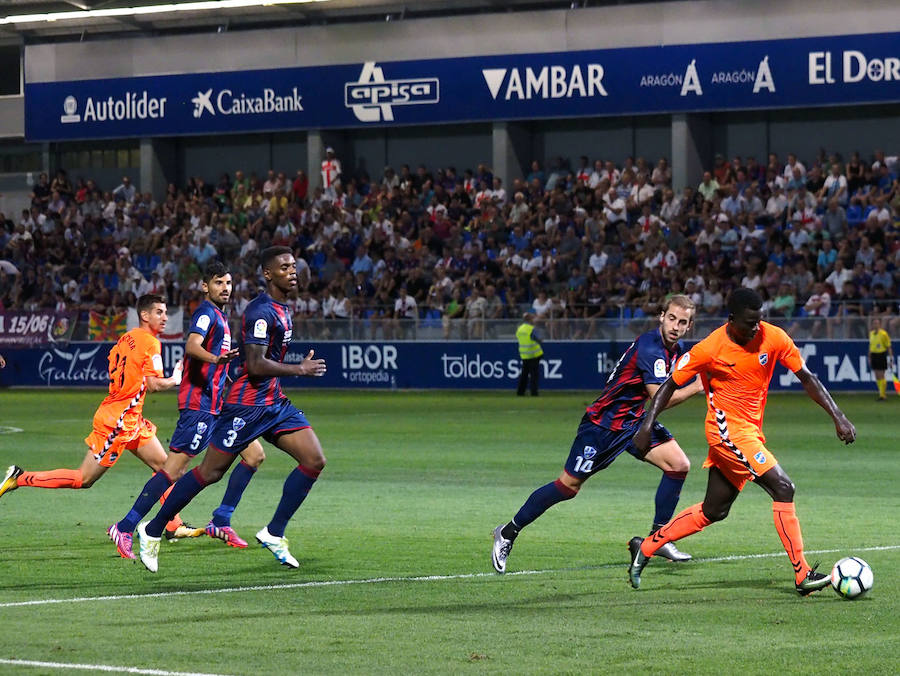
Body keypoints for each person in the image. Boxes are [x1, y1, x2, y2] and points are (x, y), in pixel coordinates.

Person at [627, 288, 856, 596]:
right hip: (726, 431)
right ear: (731, 320)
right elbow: (669, 385)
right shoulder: (710, 348)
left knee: (714, 510)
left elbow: (807, 378)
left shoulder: (774, 338)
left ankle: (648, 546)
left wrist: (838, 416)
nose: (755, 328)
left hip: (749, 431)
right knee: (783, 487)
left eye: (759, 321)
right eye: (749, 323)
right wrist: (647, 425)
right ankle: (802, 574)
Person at [136, 247, 328, 573]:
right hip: (246, 406)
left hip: (274, 404)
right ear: (268, 274)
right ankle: (153, 529)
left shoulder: (283, 309)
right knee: (209, 473)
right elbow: (254, 365)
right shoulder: (260, 311)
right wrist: (299, 370)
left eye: (294, 266)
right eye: (284, 267)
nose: (293, 271)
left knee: (314, 460)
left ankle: (274, 532)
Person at [492, 295, 703, 574]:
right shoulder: (651, 347)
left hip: (633, 422)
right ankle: (508, 532)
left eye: (683, 322)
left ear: (689, 326)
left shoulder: (675, 348)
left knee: (678, 465)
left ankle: (658, 539)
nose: (676, 326)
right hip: (602, 426)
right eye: (672, 318)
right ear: (661, 316)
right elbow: (658, 397)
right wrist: (698, 386)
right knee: (567, 487)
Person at [106, 262, 266, 560]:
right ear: (206, 286)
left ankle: (220, 520)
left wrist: (227, 375)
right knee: (173, 470)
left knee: (254, 455)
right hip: (199, 405)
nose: (225, 288)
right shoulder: (206, 313)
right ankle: (126, 526)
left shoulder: (220, 316)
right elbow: (192, 346)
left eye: (229, 283)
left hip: (219, 406)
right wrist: (217, 360)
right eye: (218, 282)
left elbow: (213, 362)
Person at [0, 296, 188, 538]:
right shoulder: (151, 343)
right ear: (145, 315)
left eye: (165, 312)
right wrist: (175, 380)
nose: (165, 317)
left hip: (130, 418)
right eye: (160, 312)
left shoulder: (127, 338)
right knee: (83, 479)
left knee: (165, 468)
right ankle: (20, 478)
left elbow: (113, 366)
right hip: (118, 423)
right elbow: (152, 385)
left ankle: (173, 525)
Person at [516, 312, 543, 396]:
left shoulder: (519, 329)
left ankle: (520, 392)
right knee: (534, 375)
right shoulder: (531, 329)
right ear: (530, 319)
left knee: (524, 374)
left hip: (524, 355)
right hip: (534, 355)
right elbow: (539, 339)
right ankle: (534, 392)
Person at [868, 316, 893, 401]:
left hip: (881, 354)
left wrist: (891, 359)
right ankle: (881, 393)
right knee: (876, 375)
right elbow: (871, 346)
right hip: (874, 355)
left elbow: (889, 347)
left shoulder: (884, 334)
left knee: (881, 375)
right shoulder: (871, 333)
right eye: (874, 323)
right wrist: (869, 356)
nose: (875, 325)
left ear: (880, 324)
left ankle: (883, 395)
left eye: (877, 323)